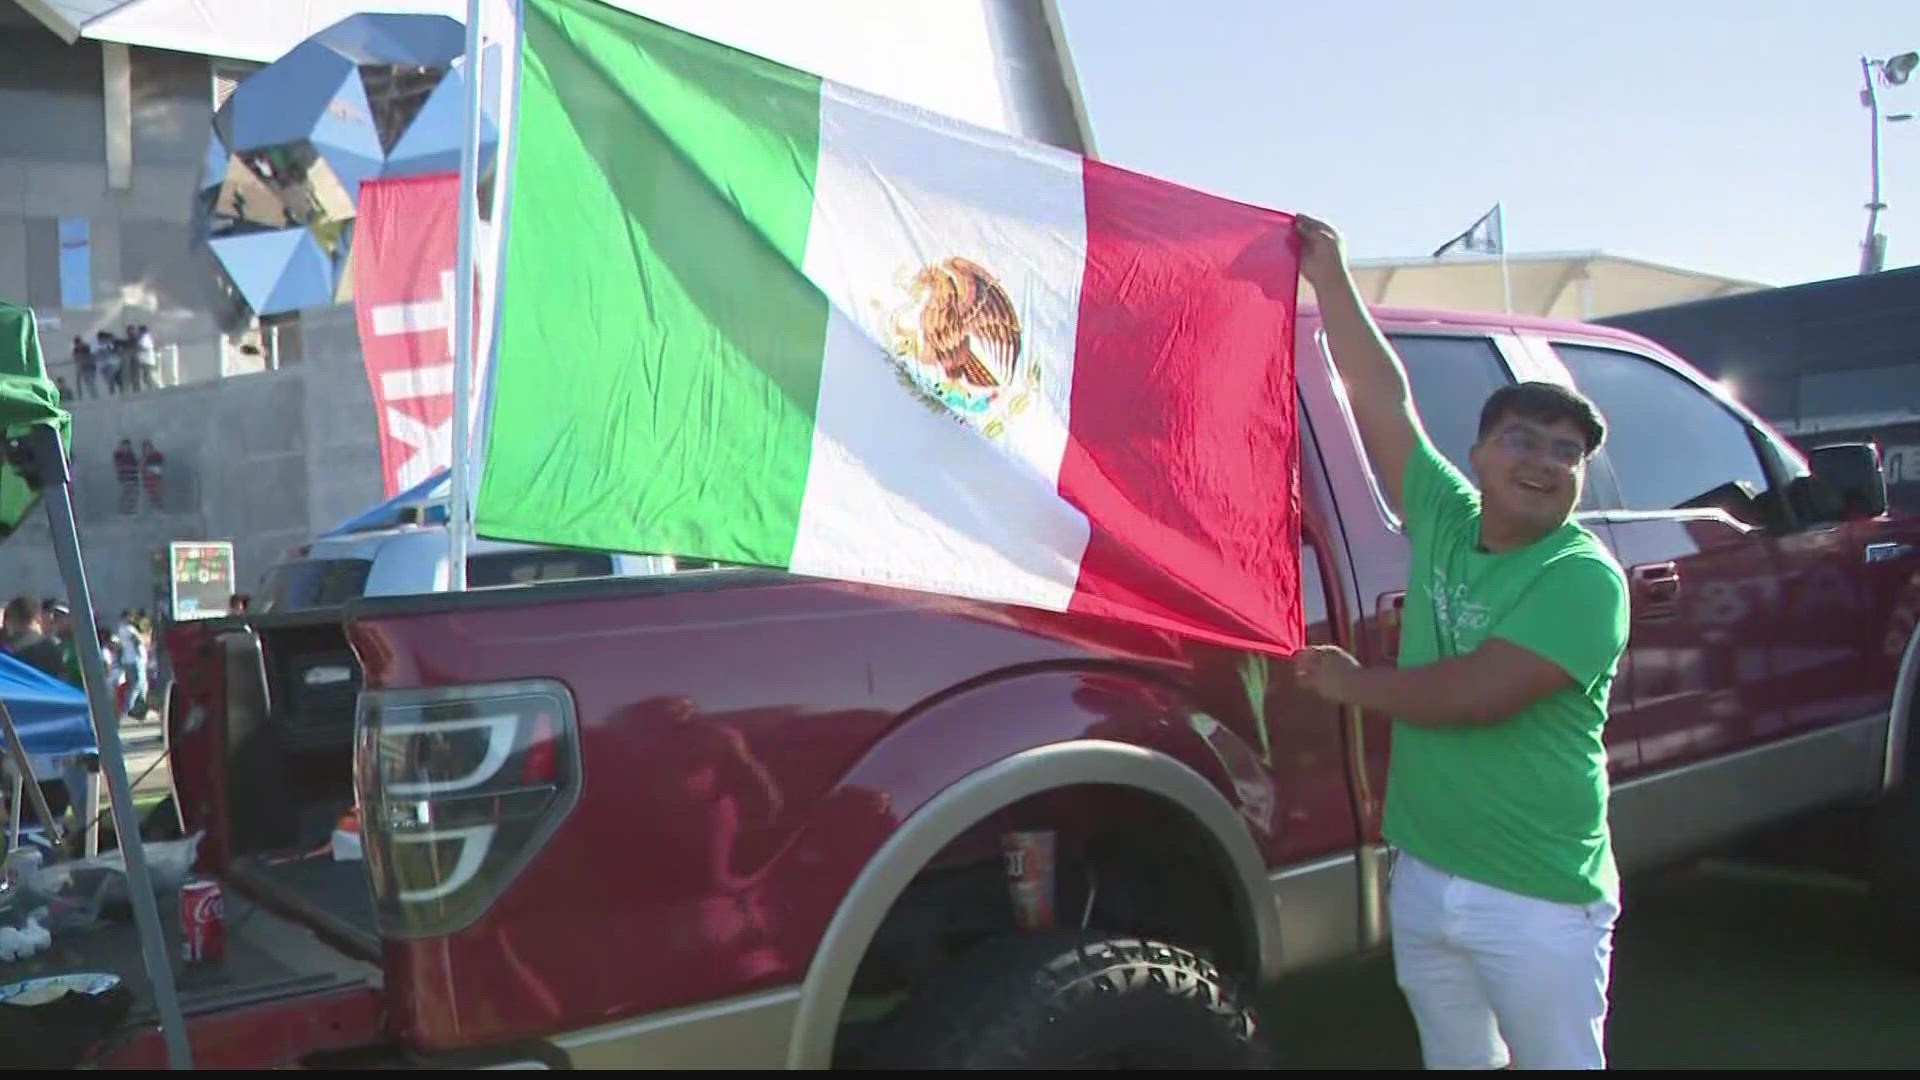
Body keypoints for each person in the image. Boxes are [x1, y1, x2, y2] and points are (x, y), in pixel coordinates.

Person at [1286, 215, 1630, 1071]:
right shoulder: (1447, 514)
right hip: (1428, 874)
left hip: (1538, 901)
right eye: (1522, 439)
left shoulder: (1583, 577)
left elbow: (1478, 692)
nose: (1545, 462)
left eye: (1567, 453)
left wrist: (1348, 685)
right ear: (1476, 455)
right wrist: (1329, 277)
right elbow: (1379, 395)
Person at [3, 595, 67, 680]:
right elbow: (63, 678)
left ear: (11, 620)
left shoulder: (9, 652)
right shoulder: (54, 646)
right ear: (38, 618)